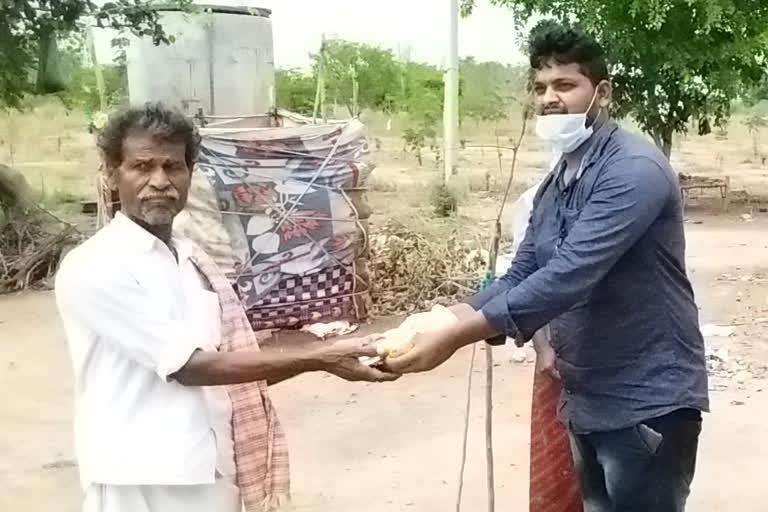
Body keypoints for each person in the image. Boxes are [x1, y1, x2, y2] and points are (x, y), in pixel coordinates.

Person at [385, 21, 708, 512]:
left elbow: (569, 274)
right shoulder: (561, 177)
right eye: (541, 87)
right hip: (587, 394)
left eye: (565, 85)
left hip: (647, 400)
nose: (550, 99)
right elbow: (524, 271)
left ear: (602, 93)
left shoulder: (633, 169)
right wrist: (443, 319)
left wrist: (456, 338)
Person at [55, 102, 398, 512]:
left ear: (190, 173)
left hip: (213, 467)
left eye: (173, 166)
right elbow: (191, 367)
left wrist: (325, 360)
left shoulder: (190, 260)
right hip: (142, 478)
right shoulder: (97, 267)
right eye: (142, 167)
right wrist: (320, 356)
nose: (160, 181)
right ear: (112, 175)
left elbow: (234, 370)